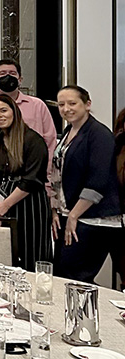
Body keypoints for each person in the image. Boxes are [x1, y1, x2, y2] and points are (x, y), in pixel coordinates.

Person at [51, 86, 123, 283]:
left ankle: (86, 314)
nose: (66, 109)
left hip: (93, 218)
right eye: (61, 104)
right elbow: (58, 173)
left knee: (76, 277)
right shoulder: (69, 131)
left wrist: (74, 215)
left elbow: (98, 180)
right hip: (70, 214)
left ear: (87, 104)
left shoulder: (99, 134)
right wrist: (56, 209)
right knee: (64, 276)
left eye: (72, 103)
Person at [0, 94, 52, 270]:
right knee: (5, 256)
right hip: (0, 204)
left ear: (15, 112)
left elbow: (32, 179)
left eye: (4, 110)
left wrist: (6, 205)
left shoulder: (33, 140)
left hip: (29, 204)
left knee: (30, 254)